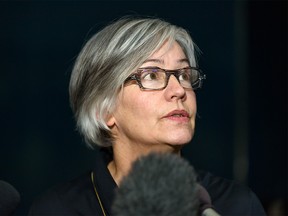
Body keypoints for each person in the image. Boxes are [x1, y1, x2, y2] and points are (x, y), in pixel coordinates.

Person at [28, 16, 266, 215]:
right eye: (152, 75)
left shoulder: (235, 205)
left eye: (183, 74)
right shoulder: (59, 209)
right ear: (104, 109)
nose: (179, 90)